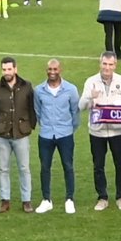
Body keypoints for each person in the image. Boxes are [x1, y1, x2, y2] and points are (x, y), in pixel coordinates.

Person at [79, 52, 121, 211]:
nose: (107, 68)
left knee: (120, 164)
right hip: (97, 132)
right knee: (98, 166)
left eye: (110, 64)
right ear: (100, 63)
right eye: (104, 64)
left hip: (118, 131)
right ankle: (102, 197)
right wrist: (90, 97)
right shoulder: (91, 82)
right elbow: (80, 106)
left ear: (115, 65)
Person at [0, 57, 36, 213]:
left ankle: (26, 200)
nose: (6, 72)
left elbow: (32, 108)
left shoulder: (27, 86)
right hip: (2, 135)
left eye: (9, 69)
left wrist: (30, 125)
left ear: (15, 69)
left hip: (21, 134)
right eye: (4, 69)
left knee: (24, 168)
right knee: (3, 169)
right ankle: (5, 200)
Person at [33, 58, 80, 214]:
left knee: (68, 166)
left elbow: (75, 112)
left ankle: (69, 199)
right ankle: (46, 200)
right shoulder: (39, 90)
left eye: (55, 69)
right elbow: (38, 111)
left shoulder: (71, 89)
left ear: (60, 70)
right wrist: (45, 125)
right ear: (46, 70)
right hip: (46, 134)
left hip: (65, 134)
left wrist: (69, 128)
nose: (52, 72)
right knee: (44, 167)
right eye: (50, 69)